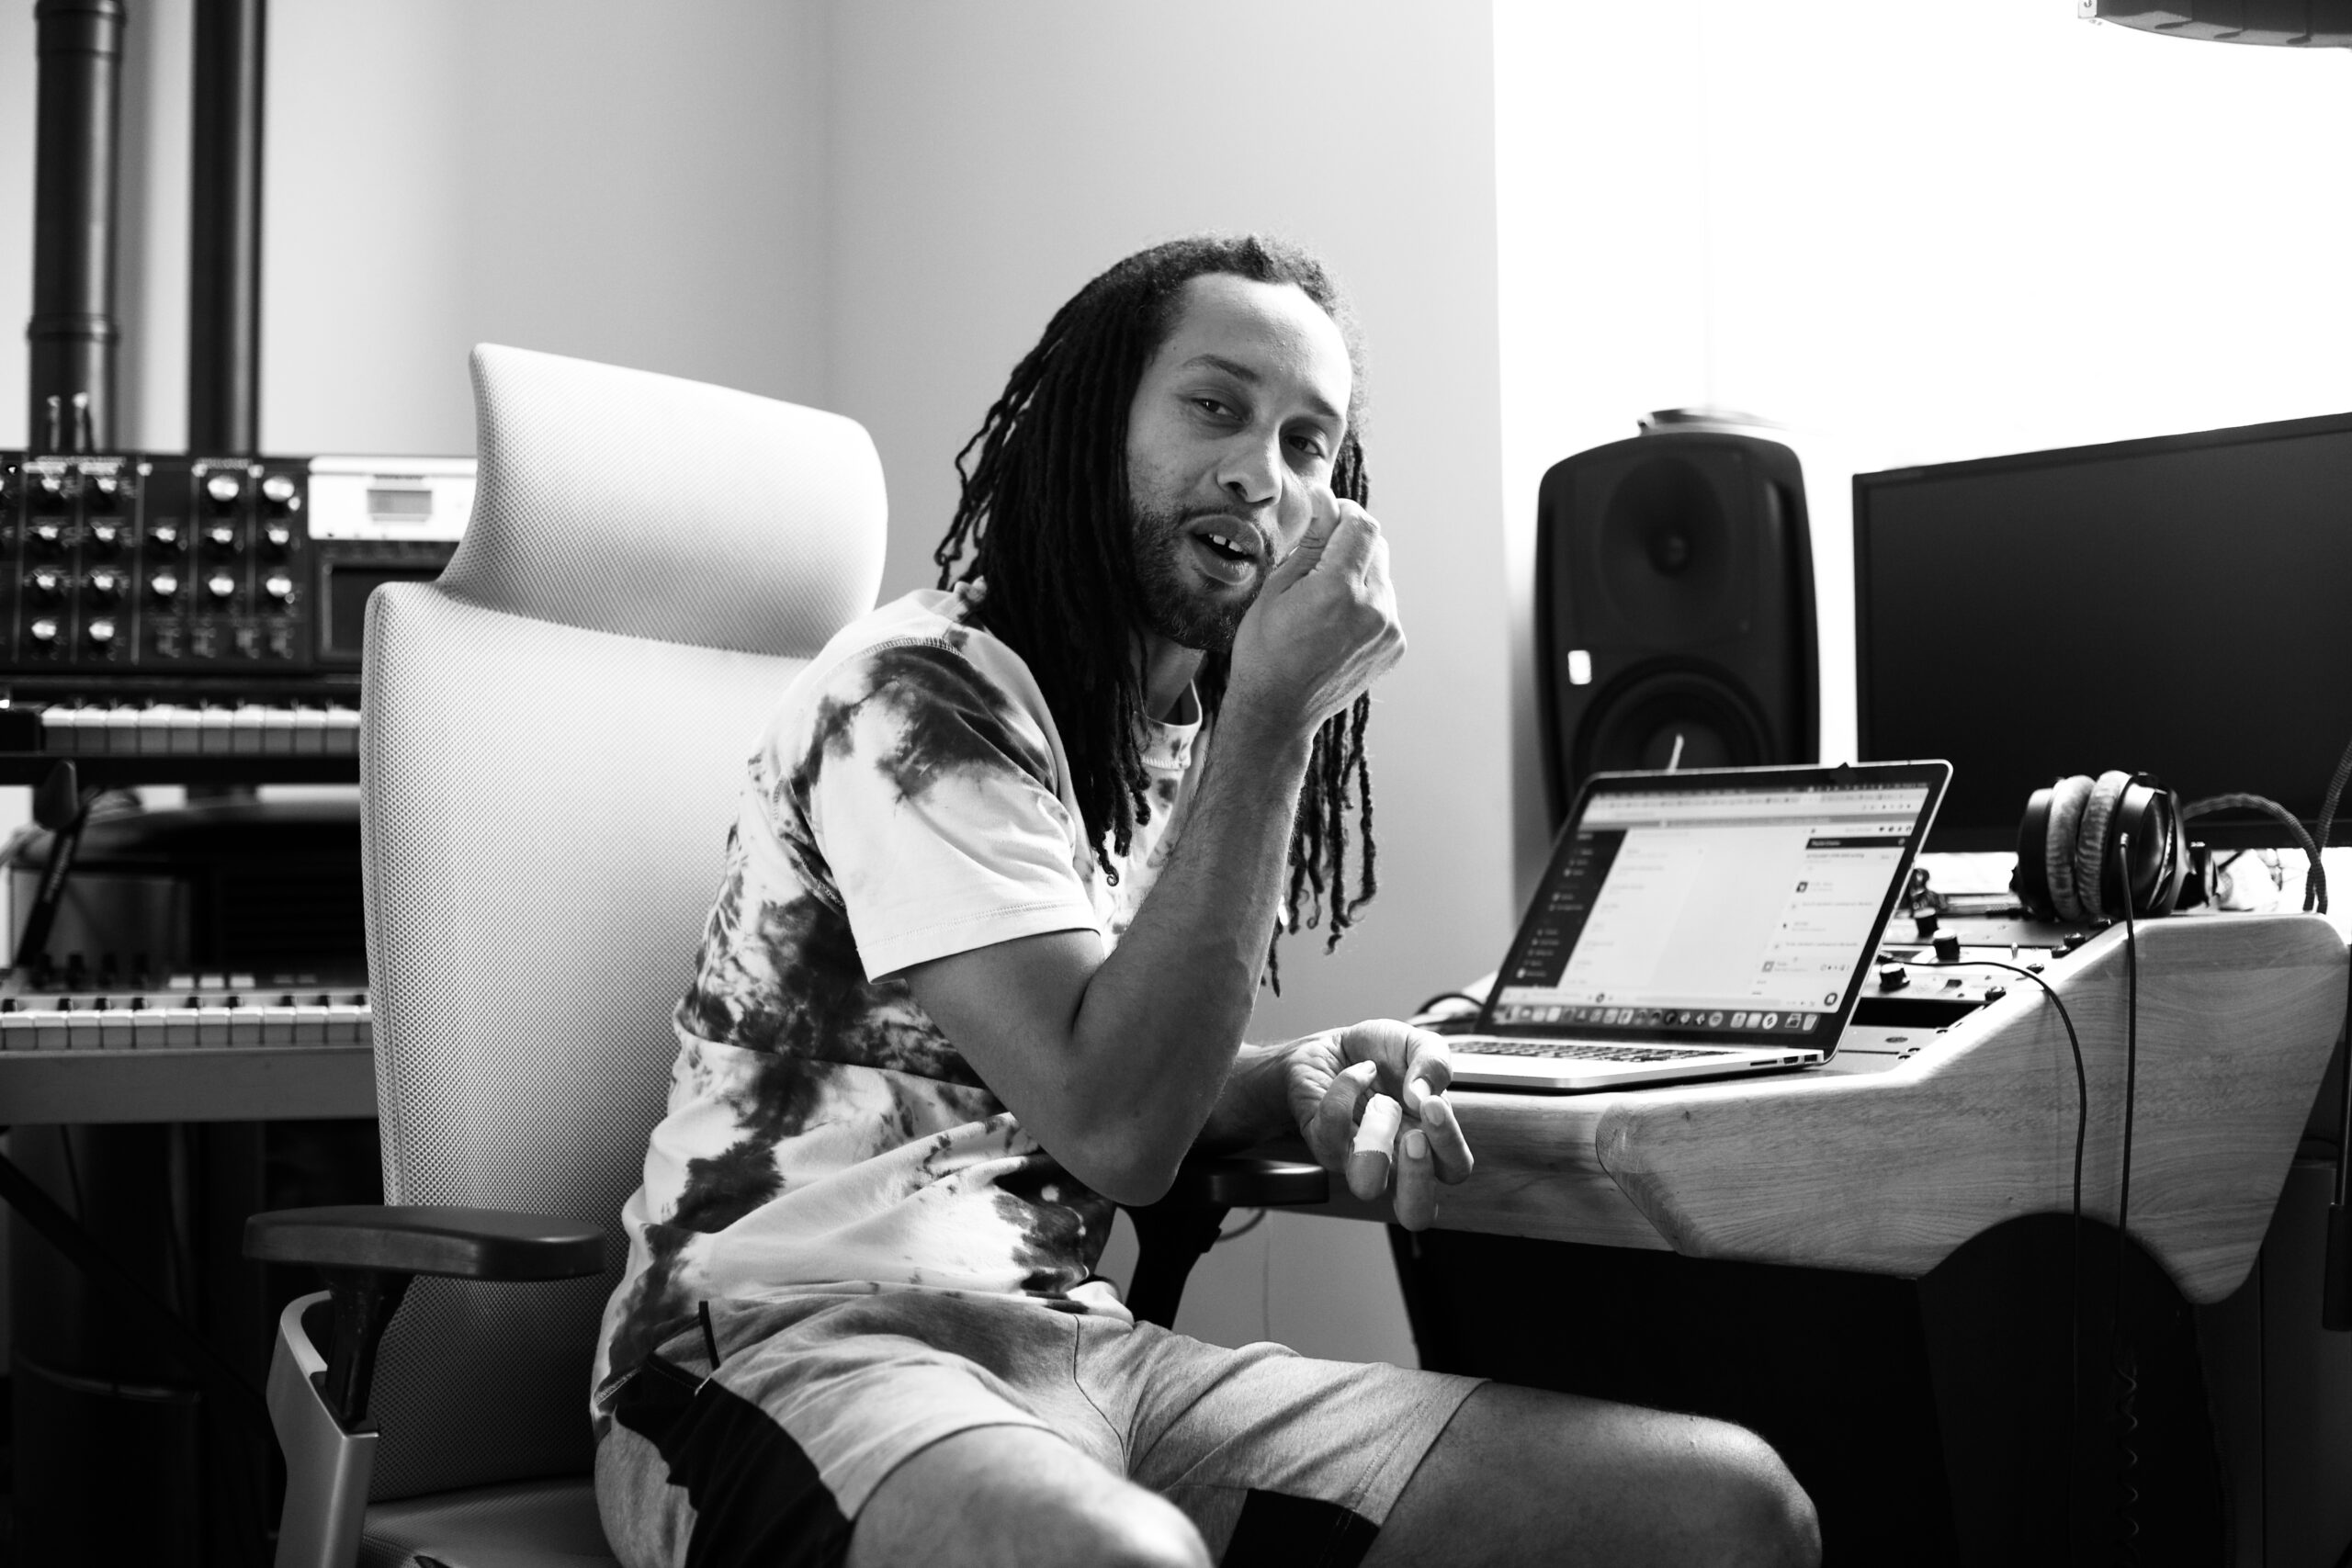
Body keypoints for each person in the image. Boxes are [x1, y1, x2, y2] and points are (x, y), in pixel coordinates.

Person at [591, 233, 1820, 1568]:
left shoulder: (1176, 742)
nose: (1260, 473)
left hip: (1080, 1353)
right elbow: (1114, 1125)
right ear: (1095, 424)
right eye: (1216, 406)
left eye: (1307, 443)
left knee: (1724, 1512)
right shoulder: (920, 692)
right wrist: (1278, 720)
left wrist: (1287, 1077)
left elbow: (1071, 1061)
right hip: (789, 1347)